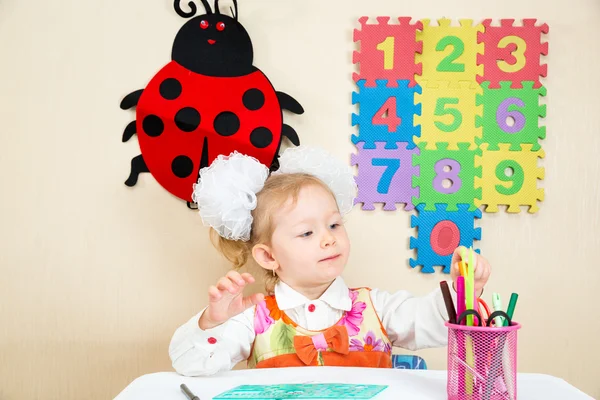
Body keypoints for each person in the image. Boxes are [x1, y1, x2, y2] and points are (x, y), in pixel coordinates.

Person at [169, 146, 491, 376]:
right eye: (307, 233)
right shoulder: (252, 319)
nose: (328, 238)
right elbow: (191, 365)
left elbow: (431, 324)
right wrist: (210, 323)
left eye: (334, 224)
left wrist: (464, 290)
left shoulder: (376, 308)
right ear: (268, 256)